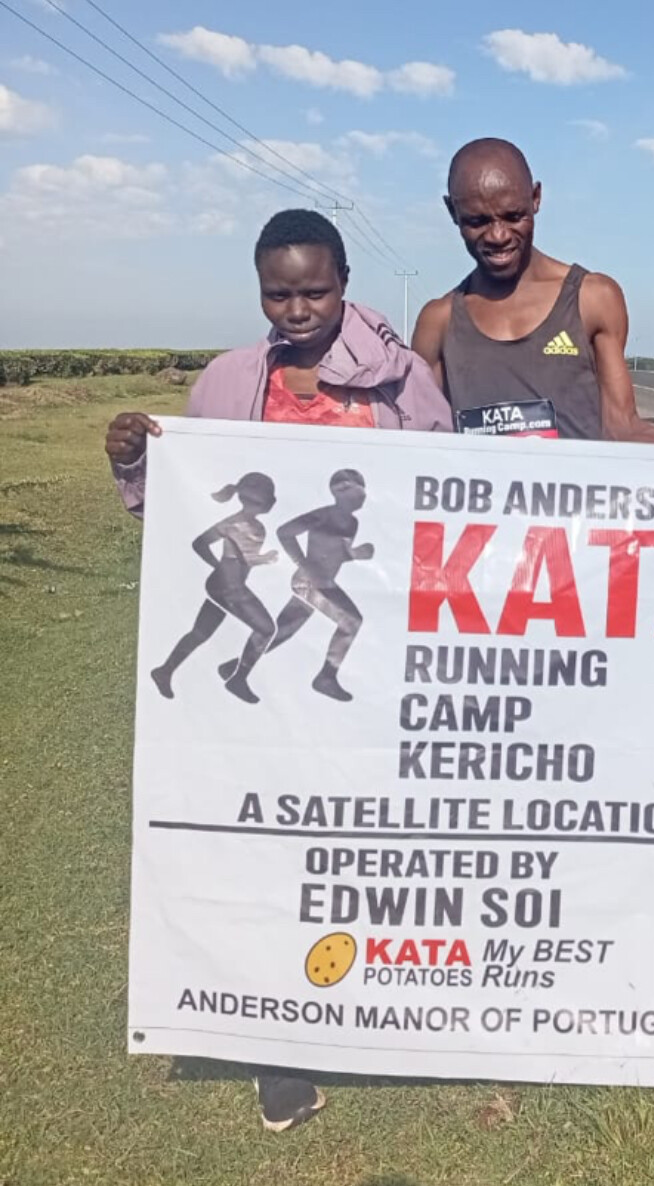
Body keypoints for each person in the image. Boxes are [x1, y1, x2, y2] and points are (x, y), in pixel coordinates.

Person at [104, 208, 451, 1132]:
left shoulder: (404, 381)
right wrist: (137, 465)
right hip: (270, 693)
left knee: (371, 833)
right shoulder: (227, 382)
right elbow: (184, 515)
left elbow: (449, 504)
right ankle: (277, 1039)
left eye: (316, 290)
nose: (298, 309)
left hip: (381, 654)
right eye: (278, 293)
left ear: (346, 282)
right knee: (270, 841)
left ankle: (380, 1003)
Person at [412, 137, 654, 444]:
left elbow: (621, 427)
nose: (498, 236)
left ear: (536, 198)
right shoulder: (438, 323)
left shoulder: (592, 299)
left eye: (513, 216)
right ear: (452, 211)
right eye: (477, 222)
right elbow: (422, 439)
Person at [219, 468, 373, 704]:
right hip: (308, 583)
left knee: (283, 631)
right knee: (351, 621)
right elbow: (285, 532)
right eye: (357, 492)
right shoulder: (322, 515)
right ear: (339, 493)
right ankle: (326, 677)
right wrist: (304, 563)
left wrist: (356, 554)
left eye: (363, 492)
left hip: (324, 584)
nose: (363, 496)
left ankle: (234, 669)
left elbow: (337, 555)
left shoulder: (352, 523)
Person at [151, 473, 279, 699]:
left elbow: (243, 558)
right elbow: (202, 543)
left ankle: (164, 671)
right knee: (266, 629)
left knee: (201, 632)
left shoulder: (254, 526)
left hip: (228, 583)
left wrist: (228, 566)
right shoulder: (235, 524)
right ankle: (237, 679)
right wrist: (259, 560)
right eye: (263, 499)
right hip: (227, 586)